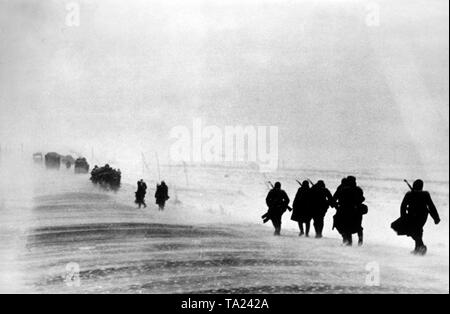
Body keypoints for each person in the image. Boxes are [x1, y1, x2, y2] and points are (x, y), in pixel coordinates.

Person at [397, 180, 440, 255]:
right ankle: (418, 248)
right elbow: (431, 206)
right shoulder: (420, 194)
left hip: (417, 216)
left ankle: (421, 247)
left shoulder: (412, 194)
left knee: (415, 231)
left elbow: (430, 206)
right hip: (420, 216)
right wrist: (436, 218)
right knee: (416, 231)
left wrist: (403, 217)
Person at [333, 176, 367, 246]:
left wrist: (337, 205)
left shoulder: (343, 190)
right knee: (358, 226)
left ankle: (347, 242)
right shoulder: (358, 190)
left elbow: (336, 199)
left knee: (343, 225)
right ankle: (360, 240)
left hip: (345, 211)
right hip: (357, 210)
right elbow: (362, 198)